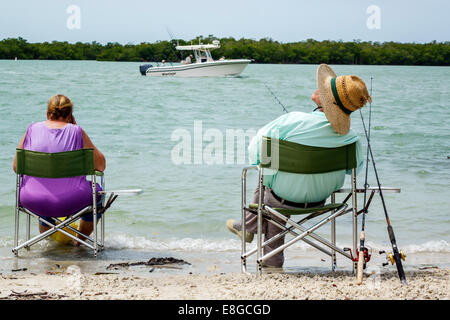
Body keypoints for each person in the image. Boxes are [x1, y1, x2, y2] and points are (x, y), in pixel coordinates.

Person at [226, 64, 370, 268]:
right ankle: (259, 241)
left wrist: (273, 168)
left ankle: (253, 232)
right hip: (320, 201)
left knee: (268, 187)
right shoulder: (351, 138)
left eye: (325, 87)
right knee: (274, 189)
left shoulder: (292, 121)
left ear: (327, 99)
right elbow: (353, 169)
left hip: (281, 199)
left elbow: (256, 152)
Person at [12, 94, 106, 246]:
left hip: (33, 200)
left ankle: (51, 242)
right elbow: (101, 165)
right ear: (69, 115)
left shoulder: (31, 130)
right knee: (99, 195)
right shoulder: (77, 131)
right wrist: (75, 129)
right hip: (71, 200)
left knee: (43, 192)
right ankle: (80, 242)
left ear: (48, 113)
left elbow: (17, 167)